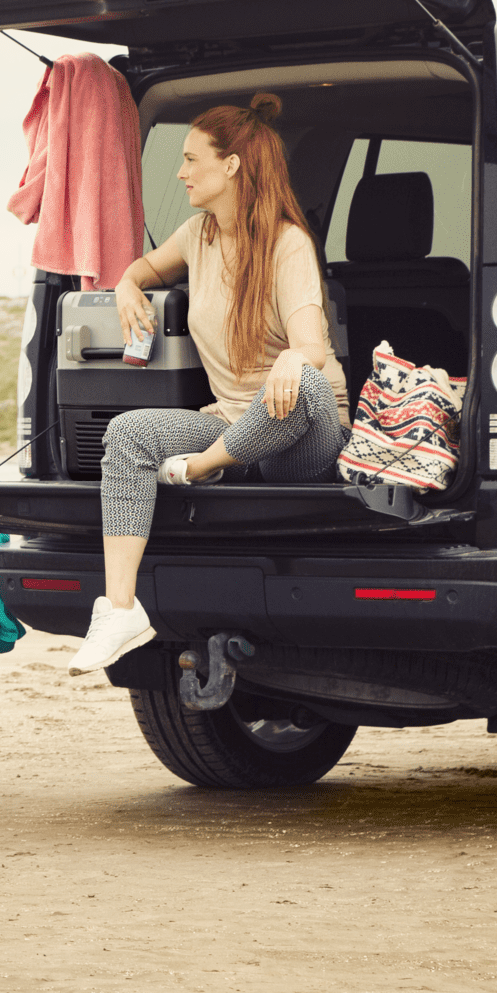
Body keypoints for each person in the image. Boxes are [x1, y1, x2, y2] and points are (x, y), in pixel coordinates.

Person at [74, 93, 346, 674]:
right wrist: (126, 286)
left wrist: (291, 361)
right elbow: (145, 269)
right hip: (232, 425)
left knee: (305, 383)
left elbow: (313, 351)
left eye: (192, 159)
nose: (181, 172)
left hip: (303, 443)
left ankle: (200, 468)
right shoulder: (198, 234)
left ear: (232, 165)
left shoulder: (288, 243)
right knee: (128, 434)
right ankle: (119, 609)